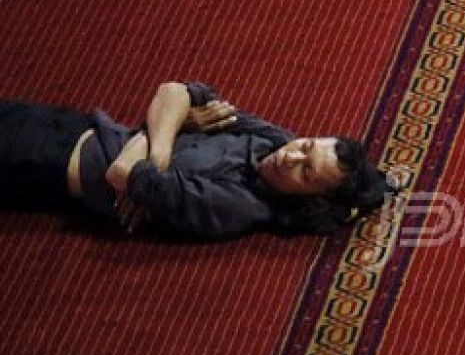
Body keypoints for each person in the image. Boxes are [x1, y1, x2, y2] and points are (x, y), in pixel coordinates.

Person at [0, 81, 407, 239]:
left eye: (306, 171)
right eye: (307, 146)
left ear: (310, 198)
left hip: (43, 167)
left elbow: (121, 173)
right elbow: (176, 91)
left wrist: (179, 125)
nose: (292, 156)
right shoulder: (273, 138)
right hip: (68, 123)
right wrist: (168, 140)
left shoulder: (234, 207)